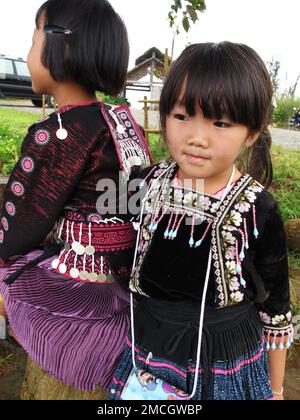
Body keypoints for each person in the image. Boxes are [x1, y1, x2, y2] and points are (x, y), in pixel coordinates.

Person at [109, 42, 293, 401]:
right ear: (164, 116)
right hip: (146, 349)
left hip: (222, 361)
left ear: (252, 133)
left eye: (221, 122)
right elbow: (105, 232)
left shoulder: (259, 210)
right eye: (182, 116)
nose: (196, 137)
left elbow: (276, 310)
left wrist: (275, 390)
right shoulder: (142, 185)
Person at [0, 0, 151, 395]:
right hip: (128, 273)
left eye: (31, 39)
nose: (26, 53)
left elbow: (20, 228)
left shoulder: (58, 132)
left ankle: (41, 338)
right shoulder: (123, 120)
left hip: (85, 289)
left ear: (60, 46)